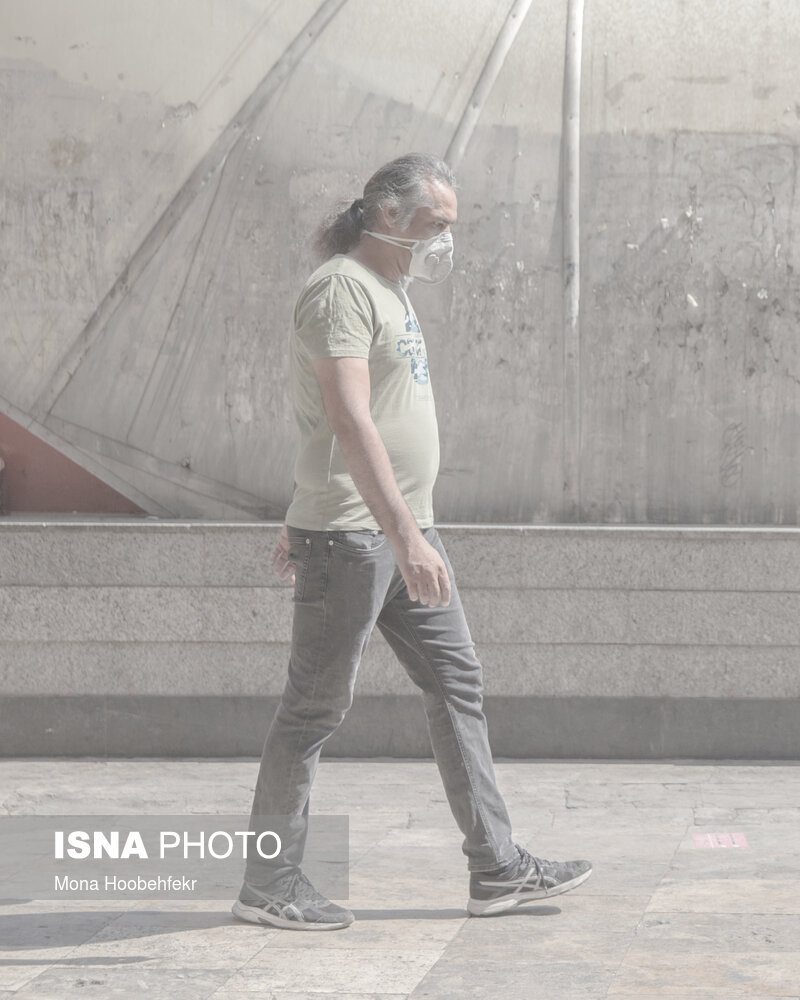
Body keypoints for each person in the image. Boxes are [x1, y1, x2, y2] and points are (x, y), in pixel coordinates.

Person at [232, 153, 591, 930]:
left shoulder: (390, 288)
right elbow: (346, 418)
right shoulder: (340, 289)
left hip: (400, 532)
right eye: (436, 224)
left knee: (457, 682)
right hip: (356, 538)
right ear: (388, 215)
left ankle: (496, 867)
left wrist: (408, 533)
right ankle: (268, 882)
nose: (446, 240)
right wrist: (397, 535)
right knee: (313, 708)